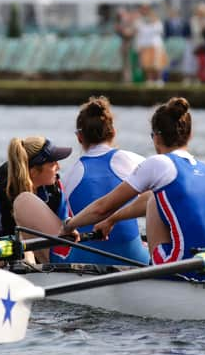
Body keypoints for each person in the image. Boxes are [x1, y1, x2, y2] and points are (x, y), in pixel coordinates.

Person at [60, 97, 205, 274]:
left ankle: (156, 269)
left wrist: (69, 226)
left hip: (178, 267)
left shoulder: (157, 163)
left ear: (156, 137)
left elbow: (102, 208)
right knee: (156, 198)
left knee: (155, 199)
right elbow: (144, 200)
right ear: (190, 135)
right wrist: (113, 219)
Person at [61, 96, 149, 265]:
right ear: (113, 132)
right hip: (134, 258)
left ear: (79, 137)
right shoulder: (134, 161)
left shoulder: (69, 175)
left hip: (85, 260)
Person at [0, 136, 72, 266]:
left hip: (43, 263)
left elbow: (63, 235)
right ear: (34, 172)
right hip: (4, 267)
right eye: (52, 164)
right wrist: (2, 263)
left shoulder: (55, 190)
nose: (59, 167)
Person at [134, 4, 167, 86]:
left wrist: (153, 22)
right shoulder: (139, 21)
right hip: (144, 45)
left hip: (155, 45)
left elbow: (160, 30)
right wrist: (138, 46)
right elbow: (139, 33)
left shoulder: (156, 20)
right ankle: (150, 80)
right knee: (147, 65)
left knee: (157, 64)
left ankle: (159, 79)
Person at [114, 8, 136, 83]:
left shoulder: (129, 22)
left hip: (130, 45)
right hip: (125, 45)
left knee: (129, 64)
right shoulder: (120, 23)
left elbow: (130, 32)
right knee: (126, 64)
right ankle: (126, 79)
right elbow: (121, 32)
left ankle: (129, 80)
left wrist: (125, 31)